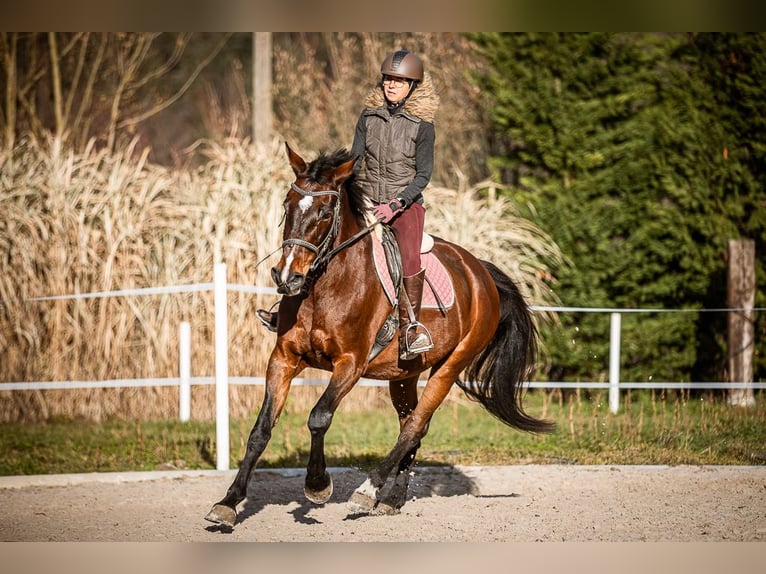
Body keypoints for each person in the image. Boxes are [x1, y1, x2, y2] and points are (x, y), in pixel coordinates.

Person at [258, 50, 439, 360]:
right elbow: (354, 159)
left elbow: (423, 175)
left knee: (409, 256)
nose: (391, 85)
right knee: (325, 239)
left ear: (412, 86)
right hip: (369, 199)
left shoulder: (422, 126)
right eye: (388, 79)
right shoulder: (369, 117)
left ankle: (411, 328)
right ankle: (289, 313)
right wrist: (327, 179)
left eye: (398, 80)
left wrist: (396, 204)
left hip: (405, 205)